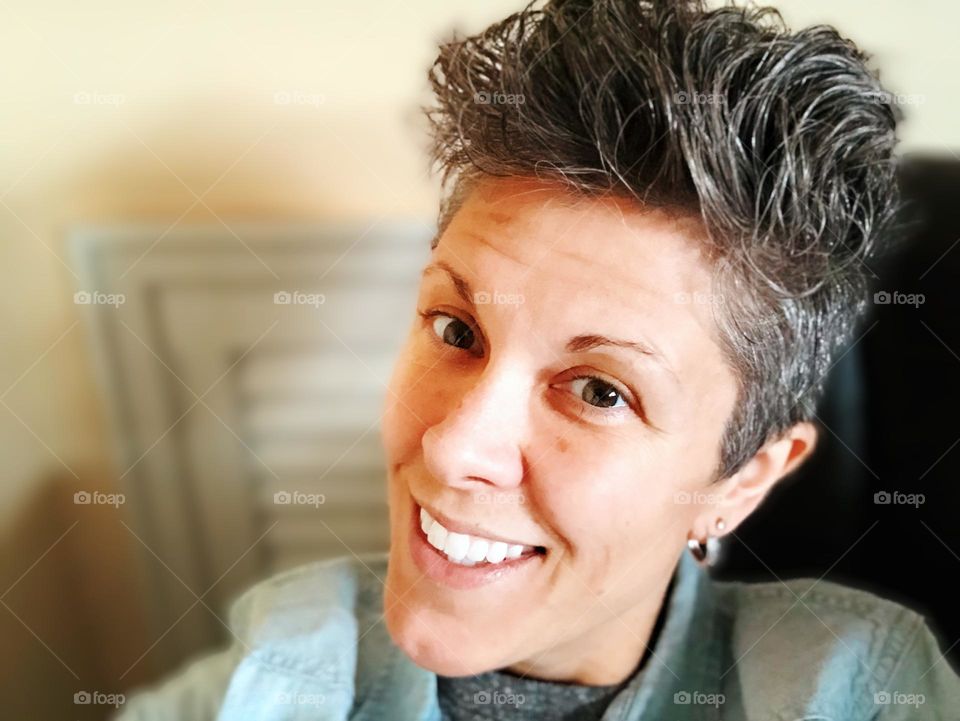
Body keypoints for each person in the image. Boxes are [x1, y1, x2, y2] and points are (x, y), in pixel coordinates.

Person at [116, 1, 960, 719]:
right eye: (455, 330)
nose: (451, 447)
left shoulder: (858, 684)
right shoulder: (273, 664)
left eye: (598, 390)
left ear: (741, 480)